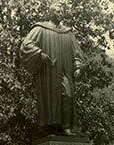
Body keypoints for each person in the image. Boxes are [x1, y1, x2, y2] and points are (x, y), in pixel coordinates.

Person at [20, 2, 85, 136]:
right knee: (50, 98)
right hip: (48, 74)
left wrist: (78, 66)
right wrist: (41, 54)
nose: (61, 13)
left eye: (62, 11)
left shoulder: (68, 33)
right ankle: (50, 129)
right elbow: (26, 45)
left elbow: (77, 52)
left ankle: (66, 127)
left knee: (68, 95)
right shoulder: (40, 29)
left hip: (65, 71)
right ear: (51, 13)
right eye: (58, 11)